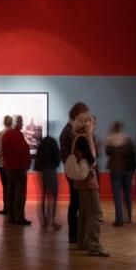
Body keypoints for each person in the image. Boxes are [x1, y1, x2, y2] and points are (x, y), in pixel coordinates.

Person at [71, 113, 109, 256]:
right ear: (87, 124)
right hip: (88, 181)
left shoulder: (77, 138)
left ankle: (83, 242)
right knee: (96, 213)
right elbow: (92, 159)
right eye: (92, 123)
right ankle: (94, 246)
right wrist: (90, 137)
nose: (94, 126)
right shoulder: (83, 139)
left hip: (82, 182)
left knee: (84, 213)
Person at [60, 102, 90, 243]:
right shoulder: (69, 132)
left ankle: (76, 233)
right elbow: (70, 156)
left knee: (76, 202)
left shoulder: (69, 131)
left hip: (74, 171)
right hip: (75, 173)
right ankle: (74, 234)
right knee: (76, 202)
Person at [104, 121, 136, 226]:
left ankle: (119, 220)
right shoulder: (128, 140)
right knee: (128, 195)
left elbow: (107, 152)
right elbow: (134, 155)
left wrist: (110, 134)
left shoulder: (109, 140)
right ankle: (129, 218)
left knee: (117, 196)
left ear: (114, 128)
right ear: (122, 128)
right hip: (128, 170)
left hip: (115, 170)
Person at [1, 115, 32, 225]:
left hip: (9, 168)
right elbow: (23, 151)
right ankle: (19, 217)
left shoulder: (6, 135)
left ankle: (11, 216)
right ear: (16, 123)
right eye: (21, 122)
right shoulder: (18, 135)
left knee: (10, 192)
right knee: (19, 194)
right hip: (19, 168)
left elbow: (4, 152)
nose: (22, 124)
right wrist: (27, 163)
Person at [34, 135, 62, 230]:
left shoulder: (42, 144)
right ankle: (53, 221)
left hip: (42, 171)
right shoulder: (53, 142)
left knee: (44, 195)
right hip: (51, 171)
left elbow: (38, 159)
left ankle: (44, 220)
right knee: (53, 196)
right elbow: (57, 159)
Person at [0, 115, 14, 215]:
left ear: (4, 122)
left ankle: (6, 208)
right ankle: (13, 208)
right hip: (13, 165)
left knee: (5, 187)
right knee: (13, 186)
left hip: (2, 164)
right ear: (11, 122)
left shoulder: (0, 134)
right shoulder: (15, 134)